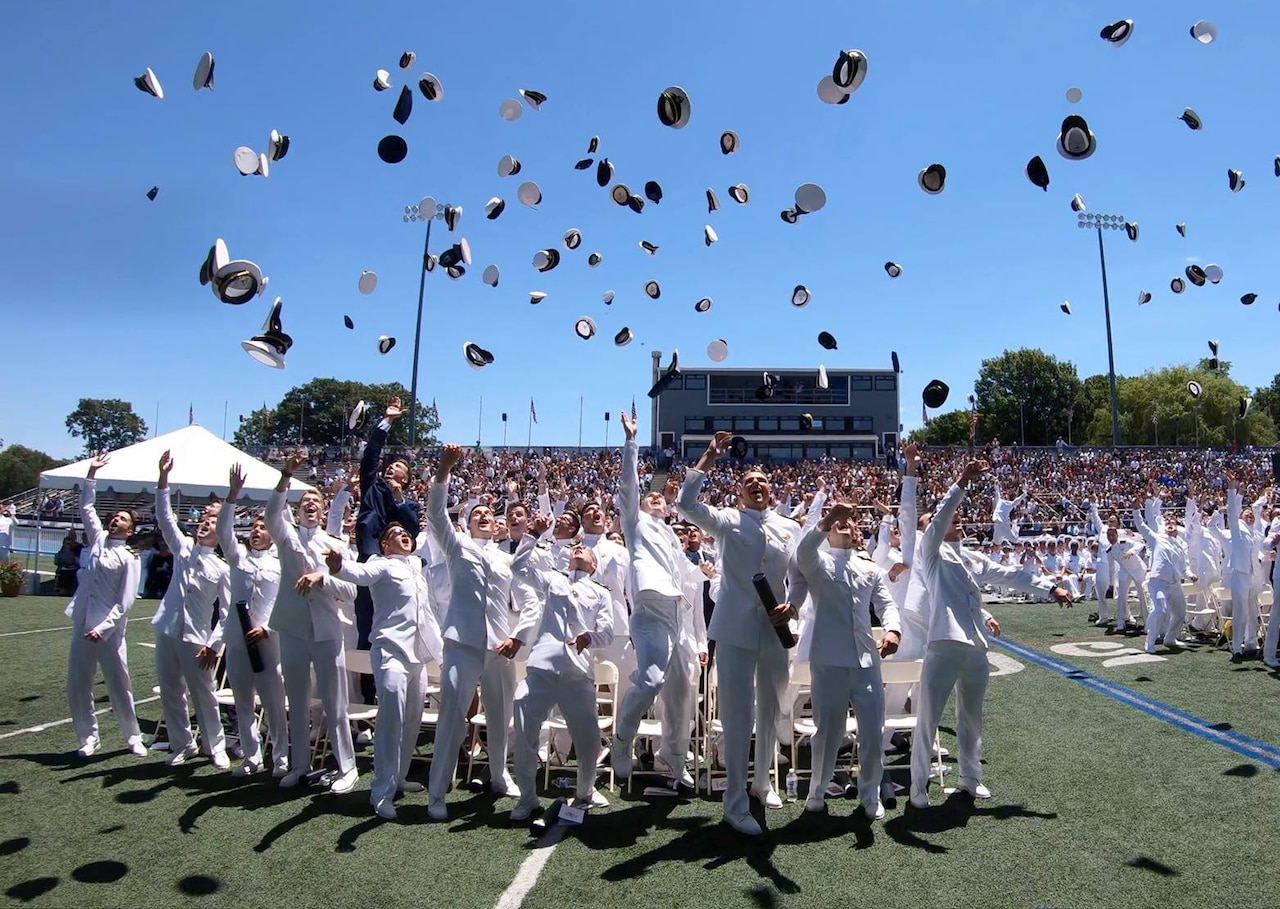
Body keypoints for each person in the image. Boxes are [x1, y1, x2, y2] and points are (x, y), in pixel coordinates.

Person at [910, 459, 1071, 809]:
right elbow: (938, 520)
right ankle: (918, 787)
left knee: (971, 718)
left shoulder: (971, 556)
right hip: (943, 642)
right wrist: (962, 481)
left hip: (975, 647)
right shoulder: (930, 551)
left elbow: (1011, 575)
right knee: (929, 719)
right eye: (937, 521)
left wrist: (1050, 588)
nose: (953, 520)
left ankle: (969, 779)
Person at [677, 430, 807, 835]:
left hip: (773, 631)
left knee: (770, 711)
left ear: (772, 489)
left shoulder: (789, 526)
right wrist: (708, 458)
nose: (756, 485)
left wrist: (794, 605)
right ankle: (734, 804)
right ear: (740, 491)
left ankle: (762, 782)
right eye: (749, 481)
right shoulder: (728, 520)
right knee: (737, 717)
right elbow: (685, 504)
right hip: (734, 630)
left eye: (763, 481)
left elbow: (800, 576)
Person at [425, 443, 519, 821]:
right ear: (465, 522)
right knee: (452, 716)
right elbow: (434, 514)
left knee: (500, 716)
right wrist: (444, 471)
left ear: (498, 527)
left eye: (488, 514)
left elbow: (527, 595)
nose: (483, 516)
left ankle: (498, 774)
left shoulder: (506, 558)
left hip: (500, 645)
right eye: (476, 513)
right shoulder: (456, 544)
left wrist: (518, 635)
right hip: (462, 641)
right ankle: (436, 793)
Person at [611, 409, 703, 788]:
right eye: (650, 499)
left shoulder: (671, 537)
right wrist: (632, 441)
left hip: (678, 615)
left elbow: (692, 578)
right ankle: (622, 739)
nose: (654, 501)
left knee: (682, 694)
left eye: (659, 500)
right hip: (650, 611)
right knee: (650, 681)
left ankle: (673, 757)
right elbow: (630, 489)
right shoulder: (635, 524)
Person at [325, 524, 442, 820]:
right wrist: (339, 566)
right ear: (385, 546)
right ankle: (381, 792)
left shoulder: (416, 566)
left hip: (418, 656)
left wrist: (440, 654)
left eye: (406, 533)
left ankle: (399, 776)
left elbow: (427, 614)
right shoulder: (381, 564)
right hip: (390, 652)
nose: (403, 536)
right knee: (391, 720)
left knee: (413, 719)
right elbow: (360, 575)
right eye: (394, 534)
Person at [503, 514, 614, 820]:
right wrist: (534, 534)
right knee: (525, 729)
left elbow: (606, 633)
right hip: (542, 667)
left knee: (589, 736)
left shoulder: (601, 593)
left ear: (594, 565)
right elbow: (518, 568)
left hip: (577, 673)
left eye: (585, 550)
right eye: (575, 549)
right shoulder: (552, 578)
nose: (579, 549)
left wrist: (588, 636)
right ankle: (527, 798)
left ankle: (585, 791)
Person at [795, 499, 900, 820]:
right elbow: (802, 551)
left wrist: (894, 630)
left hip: (867, 662)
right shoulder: (817, 561)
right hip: (829, 662)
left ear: (857, 532)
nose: (845, 523)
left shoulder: (871, 567)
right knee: (827, 733)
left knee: (871, 731)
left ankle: (869, 794)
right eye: (839, 522)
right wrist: (828, 518)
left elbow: (887, 605)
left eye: (850, 521)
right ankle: (817, 792)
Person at [266, 453, 360, 793]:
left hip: (326, 630)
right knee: (298, 698)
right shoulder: (286, 536)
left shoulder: (336, 546)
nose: (309, 505)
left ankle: (347, 767)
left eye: (315, 501)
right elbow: (271, 513)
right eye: (304, 501)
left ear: (322, 510)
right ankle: (300, 765)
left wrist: (324, 578)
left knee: (335, 702)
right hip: (291, 627)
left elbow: (351, 591)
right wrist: (286, 474)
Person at [151, 451, 232, 769]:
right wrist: (163, 478)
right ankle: (183, 743)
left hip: (197, 637)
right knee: (171, 691)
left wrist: (214, 645)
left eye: (211, 523)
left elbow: (226, 612)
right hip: (168, 629)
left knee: (205, 694)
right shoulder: (182, 548)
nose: (204, 526)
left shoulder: (222, 569)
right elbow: (165, 517)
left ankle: (216, 746)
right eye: (202, 522)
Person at [65, 452, 146, 758]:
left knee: (119, 684)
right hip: (82, 623)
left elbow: (125, 602)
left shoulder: (129, 558)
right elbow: (87, 508)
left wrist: (103, 628)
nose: (116, 520)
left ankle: (132, 736)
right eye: (115, 516)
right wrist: (91, 474)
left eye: (123, 518)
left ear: (131, 530)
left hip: (108, 632)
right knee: (78, 683)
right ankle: (88, 737)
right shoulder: (98, 540)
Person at [216, 465, 289, 777]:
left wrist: (267, 627)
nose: (257, 531)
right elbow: (223, 531)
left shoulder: (280, 562)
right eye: (254, 528)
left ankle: (281, 756)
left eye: (263, 527)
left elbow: (281, 601)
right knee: (243, 702)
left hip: (269, 640)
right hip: (237, 639)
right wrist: (232, 496)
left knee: (274, 703)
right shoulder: (238, 558)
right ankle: (251, 756)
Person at [353, 397, 422, 704]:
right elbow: (370, 456)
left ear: (405, 479)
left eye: (398, 467)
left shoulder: (408, 505)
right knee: (367, 631)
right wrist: (387, 421)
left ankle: (402, 693)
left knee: (400, 630)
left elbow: (413, 531)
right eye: (390, 465)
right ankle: (369, 698)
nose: (391, 468)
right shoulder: (372, 487)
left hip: (400, 575)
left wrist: (398, 499)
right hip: (370, 561)